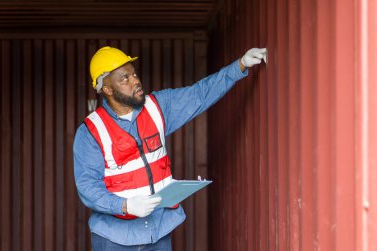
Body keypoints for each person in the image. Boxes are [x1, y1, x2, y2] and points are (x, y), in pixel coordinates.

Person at [73, 46, 267, 250]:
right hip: (114, 239)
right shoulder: (90, 132)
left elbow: (199, 95)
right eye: (125, 79)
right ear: (107, 89)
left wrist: (240, 65)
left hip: (158, 232)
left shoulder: (158, 106)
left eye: (134, 74)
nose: (136, 81)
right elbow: (88, 187)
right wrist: (125, 206)